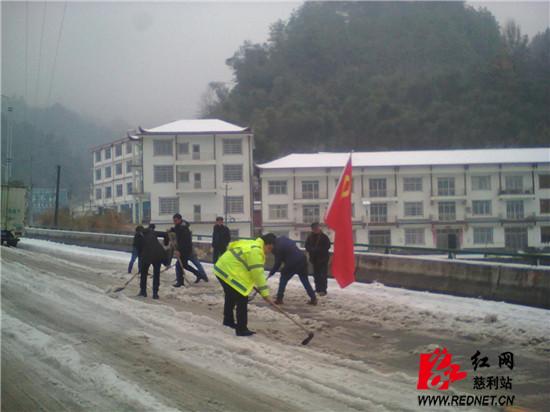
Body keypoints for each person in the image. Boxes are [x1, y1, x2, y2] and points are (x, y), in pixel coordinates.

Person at [214, 233, 276, 336]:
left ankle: (228, 321)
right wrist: (265, 294)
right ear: (267, 244)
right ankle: (241, 329)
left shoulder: (251, 243)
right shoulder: (256, 251)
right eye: (270, 249)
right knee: (242, 298)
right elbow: (258, 273)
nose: (269, 252)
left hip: (222, 268)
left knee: (230, 296)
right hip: (227, 271)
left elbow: (231, 246)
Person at [269, 236, 317, 306]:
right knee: (304, 280)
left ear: (271, 243)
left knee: (283, 278)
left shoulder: (276, 247)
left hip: (292, 262)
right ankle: (313, 298)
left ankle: (279, 298)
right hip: (302, 259)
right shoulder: (284, 238)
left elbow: (278, 263)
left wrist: (271, 273)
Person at [135, 226, 169, 299]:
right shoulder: (152, 231)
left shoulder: (138, 236)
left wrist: (141, 260)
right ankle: (155, 294)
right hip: (158, 255)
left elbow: (138, 248)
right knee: (156, 274)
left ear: (138, 231)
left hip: (147, 255)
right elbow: (166, 234)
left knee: (143, 274)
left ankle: (143, 292)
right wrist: (166, 243)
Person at [170, 213, 203, 286]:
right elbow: (177, 232)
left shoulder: (183, 228)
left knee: (179, 265)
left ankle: (180, 282)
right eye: (174, 220)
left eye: (175, 220)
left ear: (180, 220)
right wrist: (172, 229)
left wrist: (179, 250)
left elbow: (183, 241)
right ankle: (198, 274)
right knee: (184, 265)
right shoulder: (179, 226)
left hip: (185, 249)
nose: (174, 222)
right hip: (185, 249)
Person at [305, 222, 331, 296]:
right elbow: (306, 246)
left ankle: (323, 290)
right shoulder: (310, 237)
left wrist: (318, 250)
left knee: (323, 275)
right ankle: (318, 288)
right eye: (314, 229)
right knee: (316, 275)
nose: (315, 230)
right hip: (314, 259)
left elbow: (327, 246)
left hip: (323, 259)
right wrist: (311, 249)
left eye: (316, 228)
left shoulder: (324, 237)